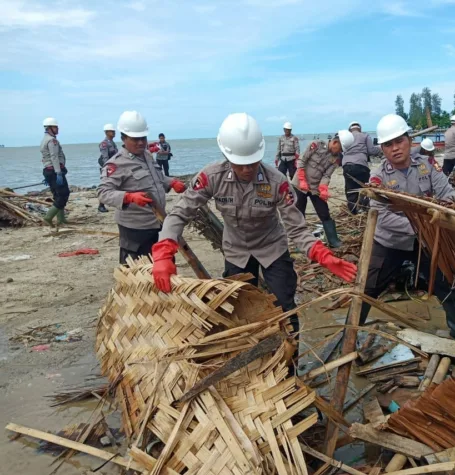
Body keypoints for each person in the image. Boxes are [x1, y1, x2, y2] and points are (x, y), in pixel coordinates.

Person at [151, 113, 357, 368]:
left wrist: (320, 253)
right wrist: (164, 250)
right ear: (227, 156)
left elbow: (297, 228)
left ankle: (289, 368)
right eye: (240, 164)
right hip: (236, 251)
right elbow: (180, 212)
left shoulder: (277, 182)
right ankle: (249, 367)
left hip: (272, 248)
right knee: (236, 311)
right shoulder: (211, 176)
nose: (247, 169)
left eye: (252, 162)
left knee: (285, 308)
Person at [358, 114, 455, 339]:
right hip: (390, 241)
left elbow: (446, 192)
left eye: (399, 141)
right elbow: (383, 216)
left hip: (427, 241)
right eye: (388, 144)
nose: (395, 148)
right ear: (382, 149)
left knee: (447, 284)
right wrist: (422, 226)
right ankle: (350, 336)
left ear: (409, 140)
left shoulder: (427, 165)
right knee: (367, 288)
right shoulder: (377, 178)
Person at [97, 111, 185, 264]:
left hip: (158, 221)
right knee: (138, 272)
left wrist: (170, 182)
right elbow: (103, 193)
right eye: (135, 139)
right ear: (124, 138)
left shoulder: (147, 156)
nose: (140, 143)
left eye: (143, 138)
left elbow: (157, 178)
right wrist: (128, 197)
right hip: (135, 228)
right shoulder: (116, 163)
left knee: (163, 264)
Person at [292, 130, 355, 248]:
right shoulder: (316, 145)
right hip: (300, 185)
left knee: (324, 213)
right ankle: (299, 242)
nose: (340, 152)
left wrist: (324, 188)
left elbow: (327, 175)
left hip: (315, 188)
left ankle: (333, 240)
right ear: (335, 142)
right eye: (340, 149)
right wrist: (301, 179)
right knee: (299, 214)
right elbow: (301, 160)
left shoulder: (336, 159)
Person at [342, 121, 382, 214]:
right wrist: (380, 148)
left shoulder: (345, 138)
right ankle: (365, 210)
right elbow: (372, 150)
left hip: (347, 166)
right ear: (360, 129)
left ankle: (353, 212)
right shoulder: (365, 136)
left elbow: (342, 151)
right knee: (365, 188)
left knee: (350, 190)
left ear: (350, 130)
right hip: (361, 165)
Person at [40, 117, 70, 226]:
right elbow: (54, 157)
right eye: (55, 127)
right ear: (49, 128)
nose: (57, 129)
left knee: (58, 195)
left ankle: (61, 219)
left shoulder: (45, 139)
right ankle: (48, 218)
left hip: (49, 170)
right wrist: (58, 172)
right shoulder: (52, 140)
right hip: (54, 171)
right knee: (63, 194)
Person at [98, 123, 118, 213]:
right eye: (111, 131)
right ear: (106, 132)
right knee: (106, 186)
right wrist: (107, 169)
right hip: (108, 168)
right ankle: (101, 205)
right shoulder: (104, 144)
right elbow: (105, 158)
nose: (113, 133)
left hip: (114, 167)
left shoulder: (112, 143)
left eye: (114, 131)